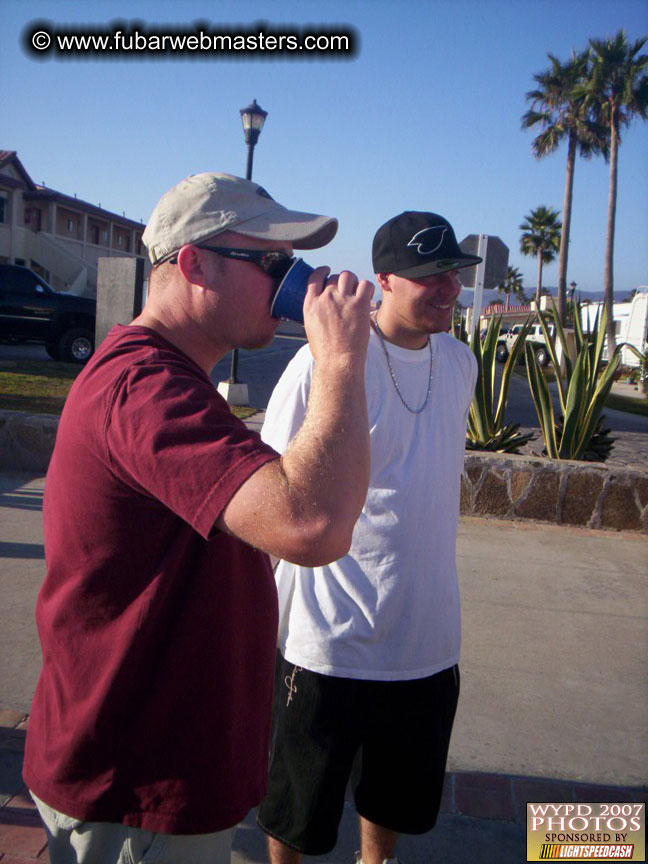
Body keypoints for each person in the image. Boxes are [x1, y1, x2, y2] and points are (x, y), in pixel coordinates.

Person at [23, 172, 374, 864]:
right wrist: (339, 361)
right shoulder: (144, 388)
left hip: (156, 780)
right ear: (192, 264)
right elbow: (314, 526)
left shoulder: (170, 379)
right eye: (272, 263)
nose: (291, 279)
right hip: (136, 792)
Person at [257, 211, 481, 864]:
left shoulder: (461, 363)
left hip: (426, 637)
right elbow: (273, 483)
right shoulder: (320, 363)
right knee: (296, 805)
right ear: (384, 278)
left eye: (453, 274)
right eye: (428, 276)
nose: (446, 288)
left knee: (393, 798)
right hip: (328, 639)